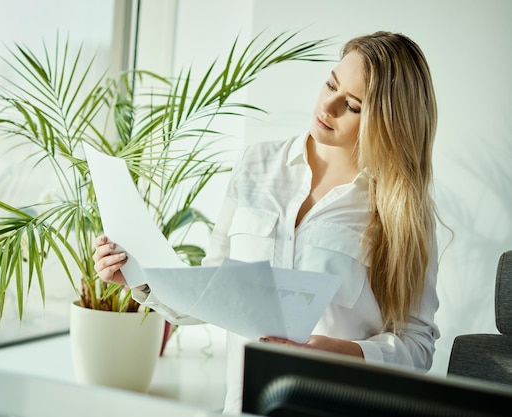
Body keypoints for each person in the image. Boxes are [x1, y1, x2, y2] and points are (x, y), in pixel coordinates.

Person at [94, 31, 440, 415]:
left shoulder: (400, 209)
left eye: (352, 106)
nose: (328, 105)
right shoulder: (255, 165)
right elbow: (215, 294)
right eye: (330, 83)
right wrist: (141, 279)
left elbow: (417, 343)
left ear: (387, 122)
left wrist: (345, 352)